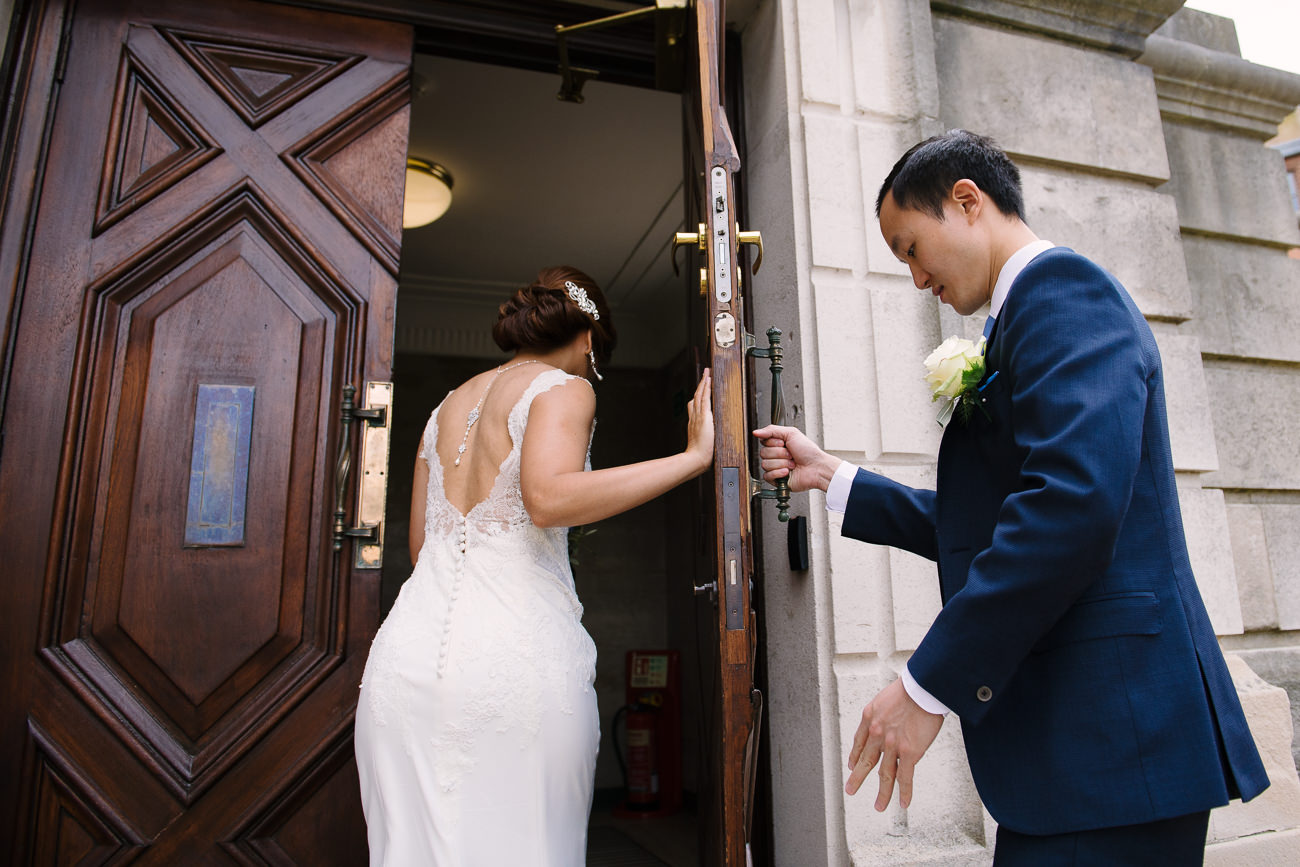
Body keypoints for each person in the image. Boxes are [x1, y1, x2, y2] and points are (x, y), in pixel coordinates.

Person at [754, 130, 1269, 864]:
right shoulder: (1025, 314)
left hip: (1117, 740)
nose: (913, 276)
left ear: (967, 201)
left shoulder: (1065, 295)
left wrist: (928, 684)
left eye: (909, 246)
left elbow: (1069, 507)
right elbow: (996, 524)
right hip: (1086, 753)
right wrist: (834, 478)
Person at [355, 265, 713, 865]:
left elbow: (422, 549)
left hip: (404, 666)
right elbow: (547, 499)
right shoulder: (565, 388)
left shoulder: (443, 408)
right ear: (589, 341)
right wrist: (693, 457)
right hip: (512, 664)